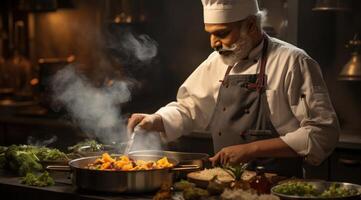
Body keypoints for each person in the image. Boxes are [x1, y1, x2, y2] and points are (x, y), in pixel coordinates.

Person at [127, 0, 340, 177]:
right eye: (210, 33)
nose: (214, 43)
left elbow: (323, 133)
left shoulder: (293, 62)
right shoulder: (216, 62)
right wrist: (157, 120)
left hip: (278, 185)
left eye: (222, 33)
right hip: (226, 185)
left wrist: (250, 150)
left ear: (251, 25)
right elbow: (190, 107)